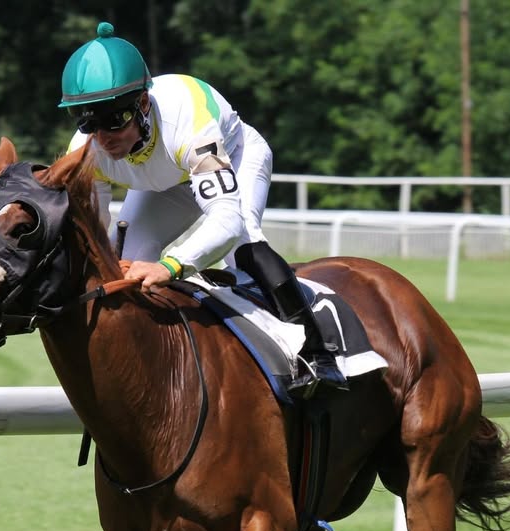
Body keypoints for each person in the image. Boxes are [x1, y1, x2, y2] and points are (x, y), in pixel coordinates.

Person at [60, 22, 346, 394]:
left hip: (235, 157)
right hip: (164, 184)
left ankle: (316, 348)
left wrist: (170, 266)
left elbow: (224, 221)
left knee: (243, 244)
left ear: (143, 104)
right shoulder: (84, 151)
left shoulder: (190, 122)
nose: (102, 137)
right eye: (88, 122)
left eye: (114, 120)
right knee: (122, 262)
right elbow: (95, 239)